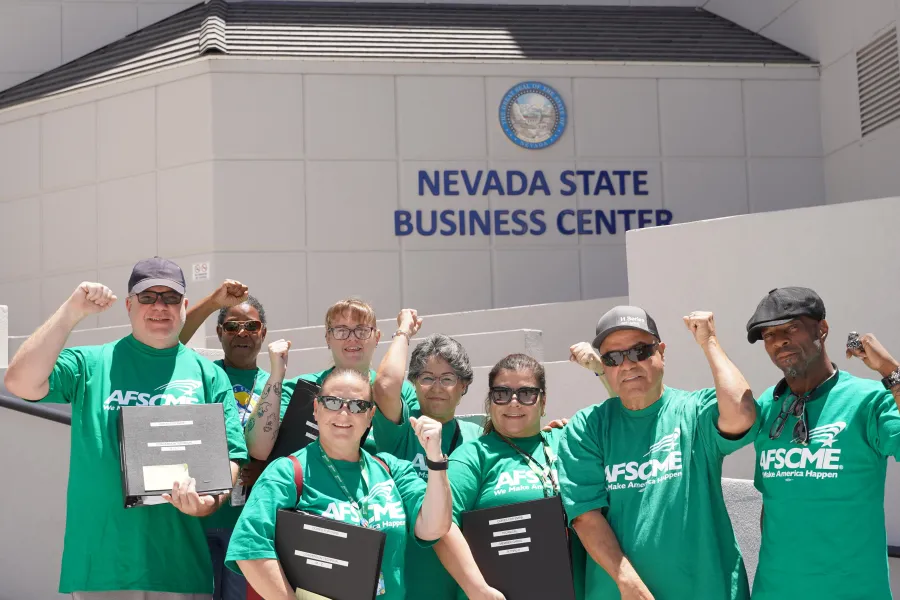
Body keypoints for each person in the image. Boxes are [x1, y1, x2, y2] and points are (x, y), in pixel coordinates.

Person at [3, 257, 248, 600]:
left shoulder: (209, 375)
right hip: (100, 568)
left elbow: (231, 456)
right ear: (130, 305)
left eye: (170, 297)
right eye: (147, 297)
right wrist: (71, 312)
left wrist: (209, 501)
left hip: (178, 568)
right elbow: (19, 382)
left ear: (184, 306)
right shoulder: (90, 364)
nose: (159, 306)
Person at [557, 306, 757, 600]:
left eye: (639, 351)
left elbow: (742, 413)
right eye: (613, 358)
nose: (627, 364)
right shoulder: (587, 427)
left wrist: (709, 342)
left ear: (661, 352)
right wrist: (628, 584)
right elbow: (585, 517)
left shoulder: (695, 411)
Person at [224, 368, 452, 600]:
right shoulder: (287, 472)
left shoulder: (391, 469)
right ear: (316, 409)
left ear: (370, 415)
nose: (344, 413)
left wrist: (436, 459)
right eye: (332, 402)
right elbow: (249, 549)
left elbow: (433, 527)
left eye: (357, 406)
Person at [745, 287, 900, 600]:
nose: (779, 341)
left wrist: (891, 371)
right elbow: (773, 502)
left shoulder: (869, 401)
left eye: (792, 328)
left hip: (853, 591)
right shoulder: (767, 406)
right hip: (775, 590)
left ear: (822, 329)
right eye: (769, 334)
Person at [434, 353, 586, 600]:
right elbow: (441, 524)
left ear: (543, 402)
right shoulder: (473, 455)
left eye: (526, 394)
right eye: (502, 393)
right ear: (490, 401)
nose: (513, 402)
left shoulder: (567, 442)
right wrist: (477, 589)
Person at [372, 310, 484, 600]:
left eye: (447, 378)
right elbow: (384, 386)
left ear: (463, 385)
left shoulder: (477, 437)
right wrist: (404, 331)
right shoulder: (401, 428)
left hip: (461, 586)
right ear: (413, 383)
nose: (436, 388)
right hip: (404, 584)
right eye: (426, 378)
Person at [180, 281, 269, 600]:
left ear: (263, 333)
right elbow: (171, 340)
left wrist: (264, 469)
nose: (242, 332)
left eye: (251, 326)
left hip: (247, 528)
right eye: (232, 326)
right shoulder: (200, 375)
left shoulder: (277, 387)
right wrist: (212, 303)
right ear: (219, 333)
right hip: (197, 520)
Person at [244, 298, 417, 461]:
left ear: (377, 337)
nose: (352, 338)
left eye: (362, 331)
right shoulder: (301, 388)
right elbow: (257, 449)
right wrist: (276, 375)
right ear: (328, 338)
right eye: (341, 331)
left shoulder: (402, 392)